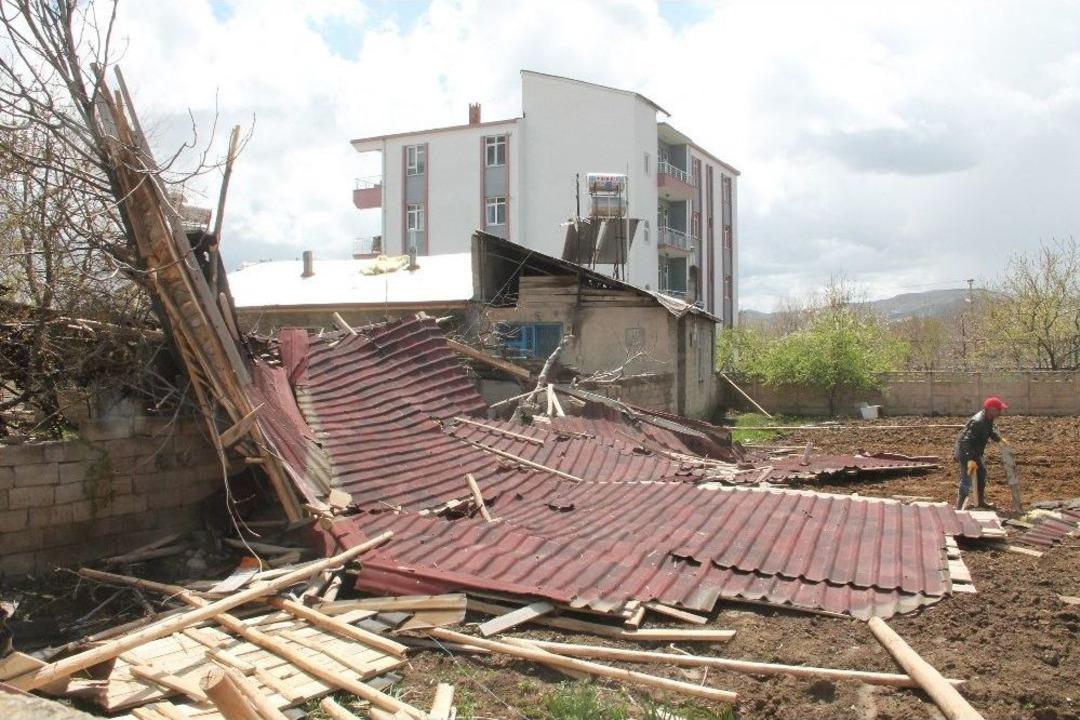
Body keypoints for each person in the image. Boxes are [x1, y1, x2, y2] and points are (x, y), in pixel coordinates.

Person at [953, 396, 1008, 509]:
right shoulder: (978, 421)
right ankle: (958, 507)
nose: (1000, 412)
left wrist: (999, 439)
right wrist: (970, 460)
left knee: (981, 474)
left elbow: (990, 431)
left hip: (975, 452)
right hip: (966, 452)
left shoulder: (988, 418)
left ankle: (981, 501)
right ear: (992, 410)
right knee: (966, 479)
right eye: (999, 410)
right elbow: (965, 441)